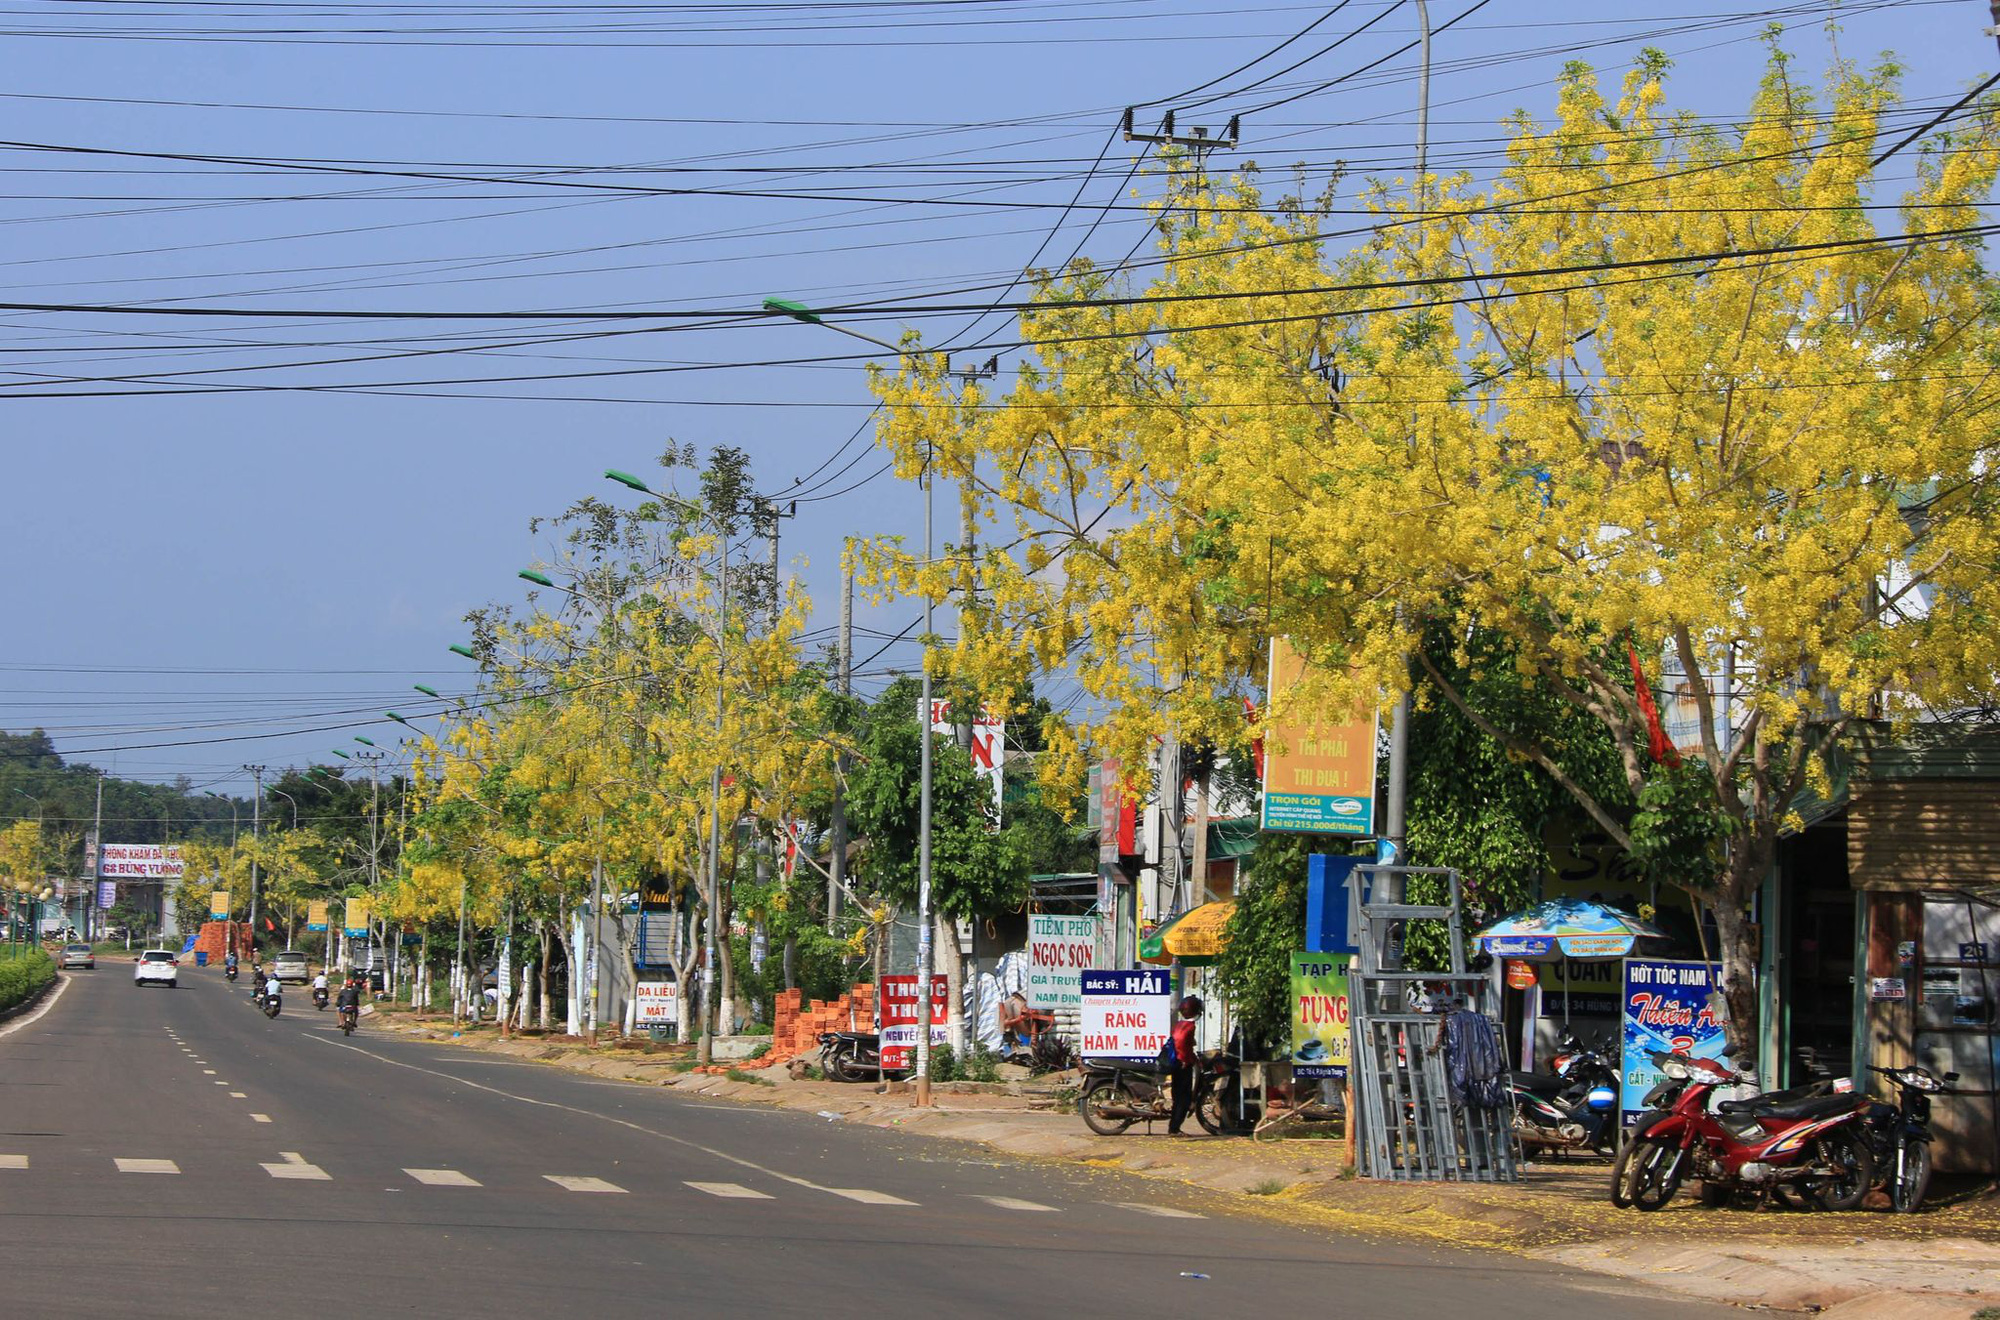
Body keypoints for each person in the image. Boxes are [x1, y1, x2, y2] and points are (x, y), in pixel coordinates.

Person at [1166, 994, 1203, 1137]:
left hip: (1177, 1063)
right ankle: (1174, 1129)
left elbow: (1182, 1042)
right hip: (1182, 1065)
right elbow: (1181, 1044)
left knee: (1178, 1097)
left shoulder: (1180, 1024)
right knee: (1184, 1098)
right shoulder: (1190, 1026)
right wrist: (1186, 1060)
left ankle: (1173, 1127)